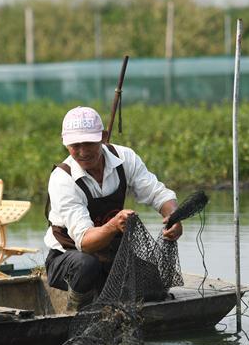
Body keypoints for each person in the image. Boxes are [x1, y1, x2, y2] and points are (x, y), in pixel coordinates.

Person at [45, 106, 183, 310]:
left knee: (151, 281)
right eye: (75, 145)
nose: (83, 152)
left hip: (111, 256)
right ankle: (75, 309)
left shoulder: (125, 158)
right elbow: (84, 242)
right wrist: (113, 226)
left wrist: (173, 217)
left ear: (103, 136)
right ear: (65, 144)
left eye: (89, 143)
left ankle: (106, 293)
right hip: (69, 259)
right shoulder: (62, 179)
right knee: (87, 266)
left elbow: (157, 194)